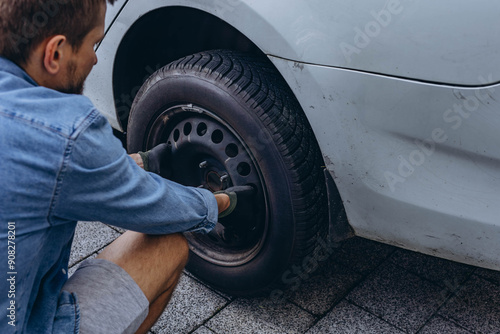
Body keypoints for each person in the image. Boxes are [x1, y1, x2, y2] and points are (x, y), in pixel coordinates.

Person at [0, 1, 247, 333]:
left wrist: (137, 164)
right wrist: (222, 203)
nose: (95, 58)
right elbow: (156, 209)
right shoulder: (66, 134)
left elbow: (40, 175)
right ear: (55, 53)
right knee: (168, 245)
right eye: (93, 44)